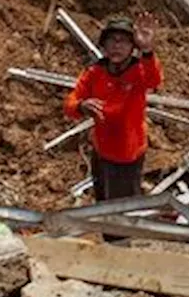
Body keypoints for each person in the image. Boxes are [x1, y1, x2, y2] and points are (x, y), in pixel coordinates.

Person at [64, 13, 162, 201]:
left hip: (128, 155)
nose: (117, 46)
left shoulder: (138, 71)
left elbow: (154, 79)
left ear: (132, 47)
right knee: (103, 203)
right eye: (112, 40)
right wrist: (81, 106)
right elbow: (70, 103)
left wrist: (148, 50)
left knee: (122, 210)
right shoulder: (95, 72)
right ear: (104, 44)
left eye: (123, 41)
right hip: (101, 151)